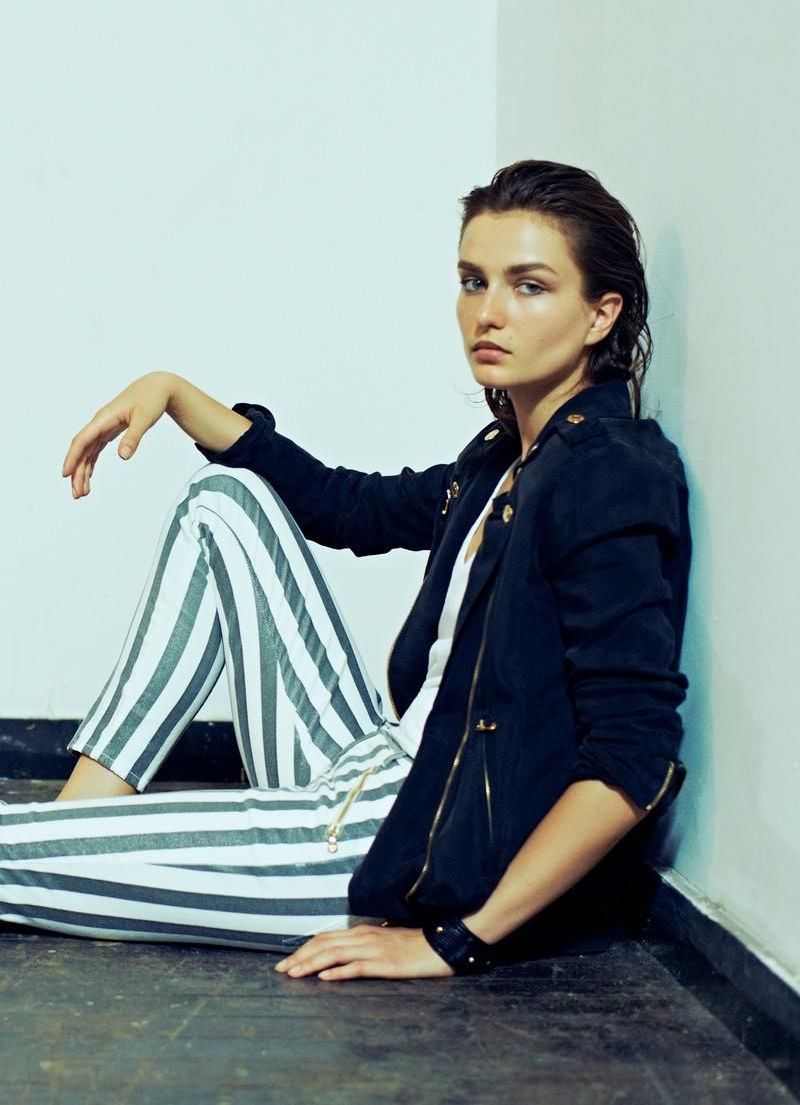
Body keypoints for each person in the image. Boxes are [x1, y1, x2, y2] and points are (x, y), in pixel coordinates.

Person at [0, 159, 690, 981]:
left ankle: (70, 852)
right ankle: (82, 830)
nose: (489, 312)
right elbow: (347, 506)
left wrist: (456, 940)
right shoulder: (505, 461)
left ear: (600, 314)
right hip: (373, 770)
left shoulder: (607, 474)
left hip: (389, 848)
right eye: (473, 281)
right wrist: (175, 392)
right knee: (224, 502)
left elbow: (633, 756)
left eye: (529, 286)